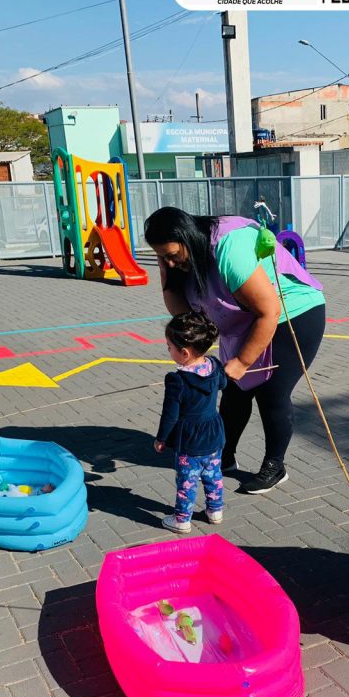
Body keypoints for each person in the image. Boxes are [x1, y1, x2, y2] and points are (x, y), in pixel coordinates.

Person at [144, 208, 326, 495]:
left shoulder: (228, 248)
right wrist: (166, 270)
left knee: (272, 391)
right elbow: (182, 313)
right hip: (246, 320)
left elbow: (269, 311)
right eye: (161, 257)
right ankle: (223, 456)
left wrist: (242, 361)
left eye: (172, 255)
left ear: (188, 239)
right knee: (234, 391)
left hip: (291, 314)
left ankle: (275, 466)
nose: (169, 262)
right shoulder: (179, 262)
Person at [154, 311, 226, 533]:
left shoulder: (177, 380)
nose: (168, 351)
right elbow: (223, 384)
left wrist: (161, 438)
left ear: (184, 352)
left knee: (187, 480)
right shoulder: (214, 365)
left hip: (190, 438)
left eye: (169, 347)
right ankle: (215, 511)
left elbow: (170, 415)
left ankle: (182, 520)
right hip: (213, 431)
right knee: (213, 474)